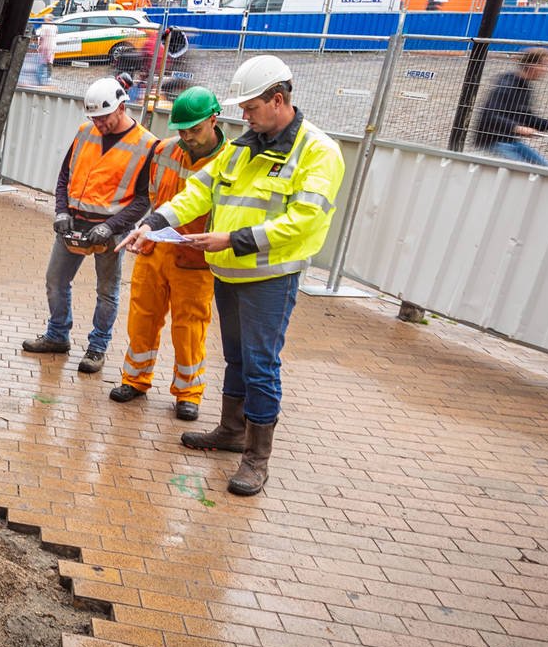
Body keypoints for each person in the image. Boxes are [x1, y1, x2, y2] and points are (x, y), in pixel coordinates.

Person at [120, 54, 346, 497]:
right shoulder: (246, 145)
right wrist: (155, 222)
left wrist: (230, 240)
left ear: (278, 100)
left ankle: (256, 460)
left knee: (262, 366)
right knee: (238, 360)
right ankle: (231, 430)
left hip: (268, 278)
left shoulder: (318, 152)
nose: (242, 116)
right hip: (229, 274)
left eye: (251, 107)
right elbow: (200, 190)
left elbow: (304, 221)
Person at [21, 77, 156, 374]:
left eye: (104, 117)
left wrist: (111, 226)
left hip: (109, 232)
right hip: (74, 224)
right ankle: (57, 335)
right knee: (56, 281)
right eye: (94, 117)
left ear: (121, 107)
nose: (99, 124)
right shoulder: (85, 132)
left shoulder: (147, 145)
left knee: (107, 291)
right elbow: (63, 178)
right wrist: (60, 212)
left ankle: (98, 347)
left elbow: (144, 199)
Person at [110, 86, 226, 421]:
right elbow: (150, 195)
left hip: (194, 257)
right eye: (183, 130)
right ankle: (135, 378)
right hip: (156, 248)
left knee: (190, 326)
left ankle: (188, 393)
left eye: (195, 130)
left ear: (213, 120)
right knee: (143, 316)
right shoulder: (163, 150)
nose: (188, 137)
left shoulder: (229, 161)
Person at [472, 47, 548, 167]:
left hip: (510, 139)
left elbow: (527, 117)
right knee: (521, 171)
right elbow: (489, 115)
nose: (547, 70)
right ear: (532, 65)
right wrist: (517, 128)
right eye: (544, 65)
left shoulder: (525, 87)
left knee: (547, 168)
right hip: (491, 141)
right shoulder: (507, 85)